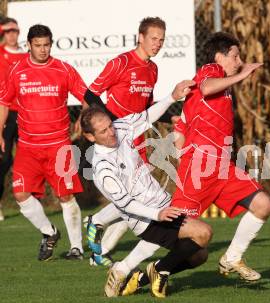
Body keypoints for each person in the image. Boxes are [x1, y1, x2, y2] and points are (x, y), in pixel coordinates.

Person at [80, 79, 212, 298]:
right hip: (144, 218)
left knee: (200, 256)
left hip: (162, 203)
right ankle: (158, 270)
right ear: (90, 137)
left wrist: (172, 95)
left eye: (110, 126)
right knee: (203, 233)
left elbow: (147, 117)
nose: (111, 133)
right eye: (103, 131)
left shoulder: (120, 129)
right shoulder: (102, 168)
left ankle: (131, 274)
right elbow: (125, 204)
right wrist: (157, 214)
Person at [171, 32, 270, 282]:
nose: (239, 61)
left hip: (222, 167)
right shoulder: (210, 69)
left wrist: (181, 147)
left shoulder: (215, 87)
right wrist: (242, 75)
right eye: (235, 56)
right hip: (200, 168)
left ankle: (232, 258)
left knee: (263, 204)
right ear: (219, 57)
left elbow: (181, 127)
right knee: (175, 235)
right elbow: (206, 87)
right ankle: (130, 269)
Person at [83, 17, 168, 265]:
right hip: (116, 142)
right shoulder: (121, 63)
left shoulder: (152, 69)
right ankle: (98, 227)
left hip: (137, 141)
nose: (158, 43)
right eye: (154, 38)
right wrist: (111, 127)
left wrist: (172, 115)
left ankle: (100, 247)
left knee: (136, 200)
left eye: (161, 40)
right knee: (134, 200)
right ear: (140, 37)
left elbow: (148, 106)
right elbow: (91, 94)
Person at [0, 24, 87, 260]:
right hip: (28, 147)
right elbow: (4, 102)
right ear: (28, 45)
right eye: (37, 45)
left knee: (66, 196)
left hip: (59, 146)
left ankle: (77, 248)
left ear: (51, 44)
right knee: (20, 194)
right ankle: (49, 233)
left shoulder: (63, 70)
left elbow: (86, 96)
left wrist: (83, 117)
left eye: (46, 45)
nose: (42, 49)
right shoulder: (17, 70)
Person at [0, 17, 27, 221]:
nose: (11, 34)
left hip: (26, 112)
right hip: (4, 112)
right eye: (7, 31)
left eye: (14, 30)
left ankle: (28, 202)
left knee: (27, 159)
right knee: (4, 159)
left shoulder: (27, 56)